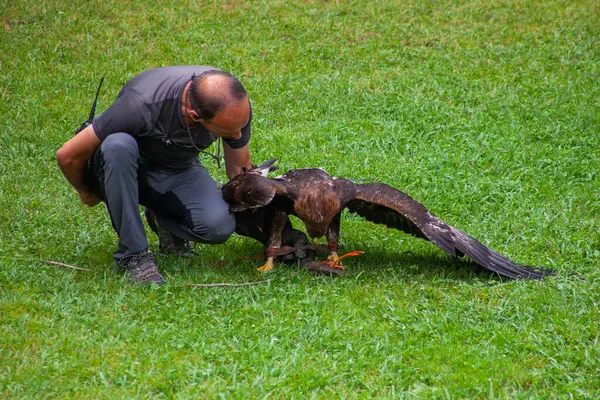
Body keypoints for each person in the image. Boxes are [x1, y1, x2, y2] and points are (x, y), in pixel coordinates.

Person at [56, 66, 253, 284]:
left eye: (241, 127)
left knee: (218, 226)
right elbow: (67, 155)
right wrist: (86, 192)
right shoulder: (140, 105)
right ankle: (135, 256)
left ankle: (164, 222)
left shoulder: (232, 104)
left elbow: (239, 170)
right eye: (230, 131)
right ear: (195, 115)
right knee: (118, 145)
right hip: (120, 168)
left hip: (176, 168)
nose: (238, 135)